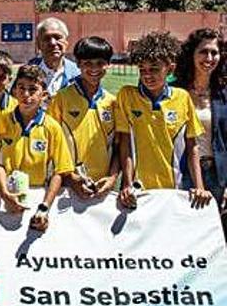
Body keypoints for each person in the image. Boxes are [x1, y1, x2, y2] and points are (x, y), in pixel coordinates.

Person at [116, 31, 212, 209]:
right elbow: (125, 144)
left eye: (154, 69)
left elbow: (192, 146)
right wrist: (127, 183)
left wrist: (199, 186)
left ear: (170, 68)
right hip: (137, 190)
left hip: (174, 189)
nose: (147, 75)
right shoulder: (126, 96)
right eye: (142, 70)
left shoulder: (182, 98)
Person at [0, 65, 73, 232]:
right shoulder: (2, 121)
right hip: (5, 196)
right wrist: (6, 194)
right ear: (13, 91)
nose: (26, 95)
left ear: (43, 94)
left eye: (33, 89)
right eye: (21, 88)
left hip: (38, 196)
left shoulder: (52, 127)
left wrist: (45, 207)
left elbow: (59, 171)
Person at [48, 37, 118, 200]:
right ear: (78, 64)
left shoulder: (112, 102)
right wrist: (69, 177)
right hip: (67, 185)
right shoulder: (62, 98)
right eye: (87, 63)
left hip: (102, 186)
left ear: (108, 64)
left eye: (100, 63)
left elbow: (118, 146)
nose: (94, 69)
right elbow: (52, 143)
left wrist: (113, 177)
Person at [174, 28, 227, 215]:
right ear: (192, 54)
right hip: (181, 173)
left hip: (218, 174)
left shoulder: (223, 93)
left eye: (215, 52)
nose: (209, 57)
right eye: (203, 51)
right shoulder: (174, 90)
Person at [28, 18, 80, 96]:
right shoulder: (27, 71)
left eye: (57, 37)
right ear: (38, 44)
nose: (52, 43)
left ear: (66, 42)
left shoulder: (77, 74)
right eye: (46, 38)